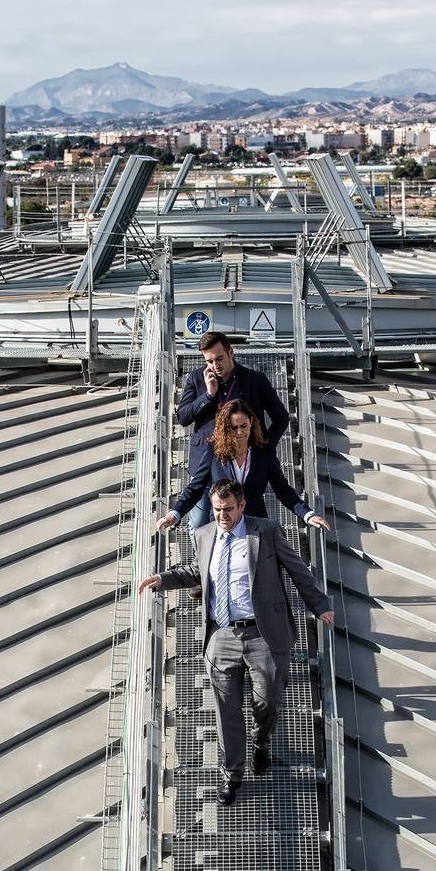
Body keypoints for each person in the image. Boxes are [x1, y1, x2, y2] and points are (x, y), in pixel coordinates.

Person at [140, 479, 334, 806]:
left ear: (242, 505)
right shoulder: (204, 535)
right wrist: (162, 579)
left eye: (228, 509)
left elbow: (298, 570)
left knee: (268, 700)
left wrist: (320, 605)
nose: (222, 516)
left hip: (263, 633)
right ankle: (232, 773)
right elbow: (195, 571)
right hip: (221, 636)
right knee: (226, 710)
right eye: (217, 509)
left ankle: (261, 741)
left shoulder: (266, 532)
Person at [157, 399, 330, 533]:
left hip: (255, 523)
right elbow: (196, 486)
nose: (240, 432)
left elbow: (282, 489)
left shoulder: (265, 451)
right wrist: (175, 514)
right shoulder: (214, 451)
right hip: (223, 524)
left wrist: (308, 514)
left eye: (244, 426)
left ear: (252, 423)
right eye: (233, 428)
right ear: (225, 429)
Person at [175, 332, 289, 530]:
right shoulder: (196, 379)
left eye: (219, 358)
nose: (215, 365)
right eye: (209, 361)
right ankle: (202, 560)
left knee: (245, 517)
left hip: (240, 461)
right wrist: (208, 395)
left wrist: (263, 445)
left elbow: (281, 417)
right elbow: (183, 417)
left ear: (231, 353)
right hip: (205, 461)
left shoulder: (255, 380)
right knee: (199, 522)